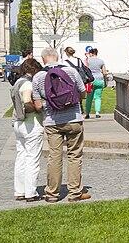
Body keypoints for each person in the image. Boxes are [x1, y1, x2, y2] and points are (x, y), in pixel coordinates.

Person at [32, 47, 89, 202]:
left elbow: (38, 105)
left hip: (52, 122)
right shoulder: (71, 71)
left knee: (54, 156)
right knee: (74, 155)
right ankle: (74, 192)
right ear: (57, 57)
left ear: (43, 59)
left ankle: (52, 193)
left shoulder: (38, 77)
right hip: (73, 118)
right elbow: (83, 93)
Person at [11, 58, 45, 202]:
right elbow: (26, 100)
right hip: (30, 123)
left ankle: (20, 190)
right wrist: (37, 109)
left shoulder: (18, 82)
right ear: (34, 70)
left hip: (18, 122)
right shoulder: (28, 83)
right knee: (32, 158)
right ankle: (31, 192)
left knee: (21, 157)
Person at [83, 48, 109, 119]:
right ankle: (97, 113)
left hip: (90, 81)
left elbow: (84, 70)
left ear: (91, 53)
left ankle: (87, 113)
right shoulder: (101, 61)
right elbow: (104, 72)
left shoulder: (87, 61)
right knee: (98, 97)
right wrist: (106, 81)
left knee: (89, 98)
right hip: (99, 80)